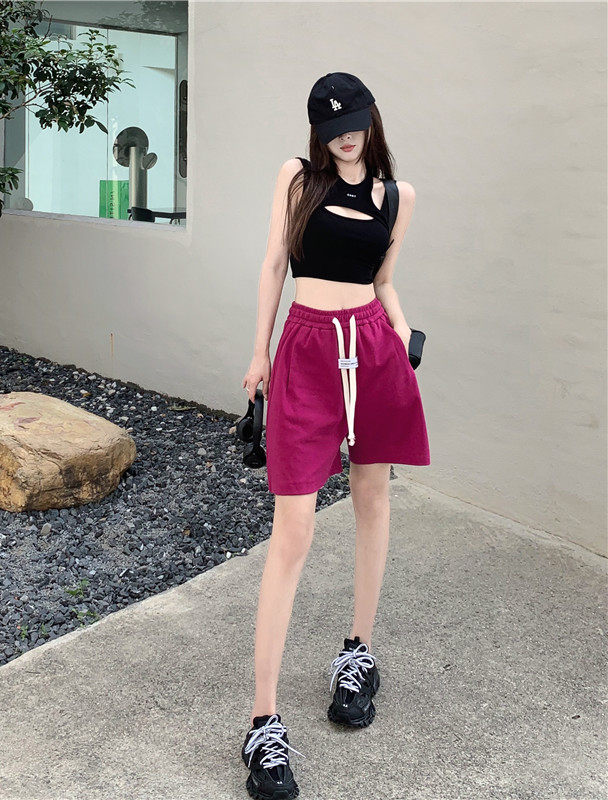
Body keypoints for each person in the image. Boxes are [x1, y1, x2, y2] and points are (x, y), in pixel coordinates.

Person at [239, 72, 430, 800]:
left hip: (375, 352)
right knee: (293, 527)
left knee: (372, 501)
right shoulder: (298, 178)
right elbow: (274, 264)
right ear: (317, 131)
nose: (345, 136)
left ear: (371, 119)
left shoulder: (398, 196)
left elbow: (383, 282)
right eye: (331, 126)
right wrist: (259, 352)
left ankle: (358, 652)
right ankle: (262, 721)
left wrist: (404, 334)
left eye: (354, 122)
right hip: (308, 351)